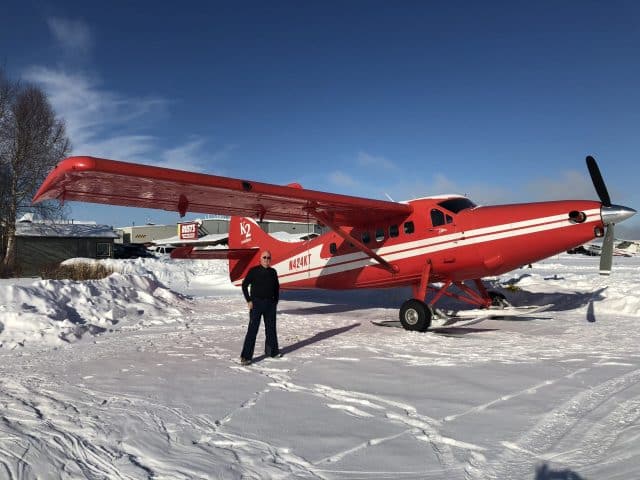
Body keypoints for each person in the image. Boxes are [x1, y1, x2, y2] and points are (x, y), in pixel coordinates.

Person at [240, 250, 281, 365]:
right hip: (256, 304)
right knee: (252, 330)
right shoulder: (253, 271)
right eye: (264, 257)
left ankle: (272, 352)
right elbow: (244, 285)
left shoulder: (273, 272)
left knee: (271, 329)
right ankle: (246, 357)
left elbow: (277, 287)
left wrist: (275, 301)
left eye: (269, 258)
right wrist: (248, 300)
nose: (267, 260)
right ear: (260, 259)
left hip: (270, 304)